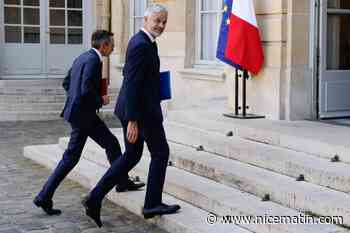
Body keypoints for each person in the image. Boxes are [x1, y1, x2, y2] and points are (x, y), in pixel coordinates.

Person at [81, 4, 181, 228]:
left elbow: (141, 79)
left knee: (132, 155)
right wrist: (133, 120)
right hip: (141, 113)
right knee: (160, 152)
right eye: (157, 20)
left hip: (138, 109)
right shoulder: (140, 45)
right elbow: (132, 82)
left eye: (164, 21)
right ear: (145, 20)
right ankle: (152, 204)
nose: (161, 25)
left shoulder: (146, 42)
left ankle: (94, 198)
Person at [33, 30, 145, 216]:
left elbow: (67, 83)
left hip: (78, 114)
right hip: (84, 116)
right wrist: (101, 100)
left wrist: (75, 102)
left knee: (72, 157)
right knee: (110, 144)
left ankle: (44, 196)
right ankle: (122, 181)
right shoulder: (94, 60)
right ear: (104, 46)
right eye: (111, 44)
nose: (114, 47)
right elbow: (85, 90)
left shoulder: (82, 57)